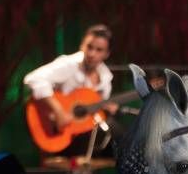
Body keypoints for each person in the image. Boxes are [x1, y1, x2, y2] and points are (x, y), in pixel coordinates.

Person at [24, 24, 118, 156]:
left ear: (106, 54)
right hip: (57, 130)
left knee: (114, 137)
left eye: (99, 50)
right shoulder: (69, 64)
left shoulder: (106, 78)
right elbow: (33, 78)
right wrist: (58, 111)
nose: (92, 54)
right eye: (89, 47)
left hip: (84, 134)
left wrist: (105, 107)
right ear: (82, 45)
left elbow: (93, 114)